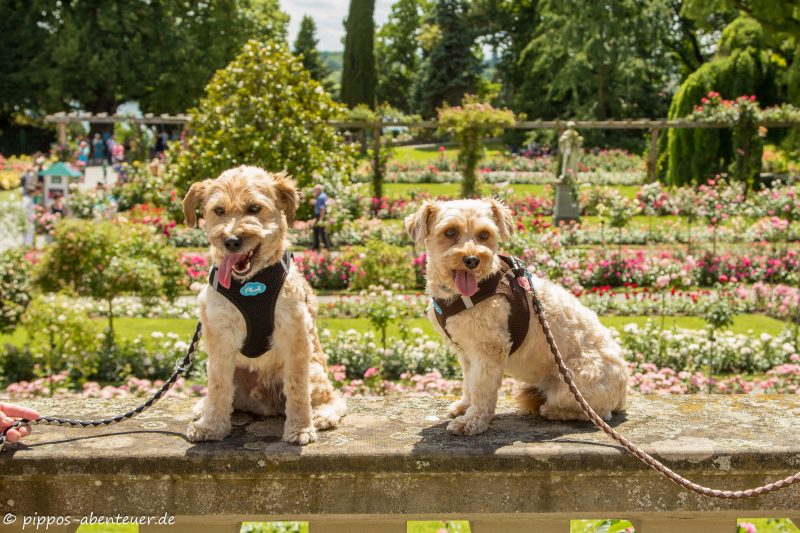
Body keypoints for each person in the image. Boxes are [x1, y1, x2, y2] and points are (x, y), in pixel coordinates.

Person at [310, 184, 330, 251]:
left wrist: (321, 218)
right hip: (320, 215)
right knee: (317, 230)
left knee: (321, 231)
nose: (314, 191)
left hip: (320, 216)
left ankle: (325, 247)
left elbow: (323, 208)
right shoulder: (321, 196)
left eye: (315, 189)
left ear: (318, 190)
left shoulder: (321, 197)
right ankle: (317, 246)